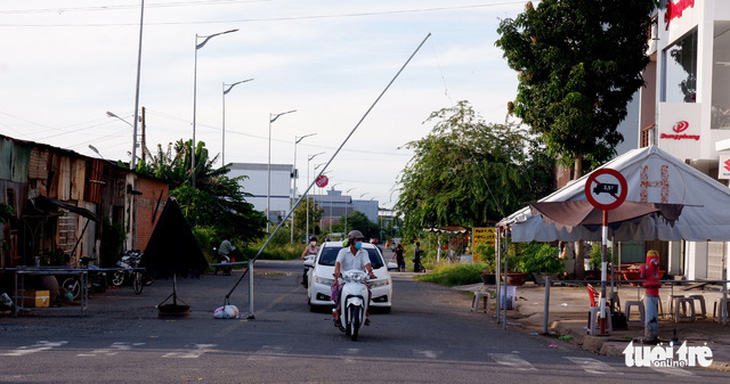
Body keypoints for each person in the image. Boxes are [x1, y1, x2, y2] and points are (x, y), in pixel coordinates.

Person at [331, 230, 376, 328]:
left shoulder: (364, 252)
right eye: (357, 240)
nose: (360, 242)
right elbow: (338, 264)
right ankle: (338, 313)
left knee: (368, 292)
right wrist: (337, 276)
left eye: (361, 240)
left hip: (359, 280)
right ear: (351, 241)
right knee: (338, 291)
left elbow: (367, 263)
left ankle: (365, 312)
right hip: (345, 280)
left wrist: (371, 272)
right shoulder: (343, 252)